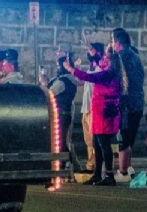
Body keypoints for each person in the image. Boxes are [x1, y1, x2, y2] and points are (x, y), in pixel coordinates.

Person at [64, 45, 125, 186]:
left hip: (105, 112)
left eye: (106, 56)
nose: (103, 58)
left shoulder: (109, 73)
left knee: (104, 145)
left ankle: (109, 175)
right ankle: (97, 174)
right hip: (99, 111)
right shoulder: (109, 69)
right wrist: (94, 54)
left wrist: (71, 69)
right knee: (97, 145)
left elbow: (88, 77)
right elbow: (99, 63)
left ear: (111, 59)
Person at [112, 28, 144, 181]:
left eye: (113, 42)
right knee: (130, 136)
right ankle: (129, 168)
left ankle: (123, 172)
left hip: (125, 103)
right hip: (138, 102)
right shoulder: (136, 56)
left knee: (123, 137)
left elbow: (115, 78)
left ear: (117, 43)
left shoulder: (120, 57)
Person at [46, 55, 80, 175]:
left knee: (61, 140)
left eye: (59, 66)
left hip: (61, 113)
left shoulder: (63, 81)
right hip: (63, 113)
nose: (57, 68)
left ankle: (68, 163)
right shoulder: (66, 80)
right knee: (63, 140)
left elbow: (49, 93)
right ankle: (72, 164)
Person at [78, 42, 104, 174]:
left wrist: (92, 50)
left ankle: (95, 165)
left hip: (95, 109)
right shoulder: (90, 69)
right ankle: (90, 163)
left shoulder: (101, 69)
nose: (90, 53)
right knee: (88, 139)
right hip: (86, 108)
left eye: (93, 51)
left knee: (95, 139)